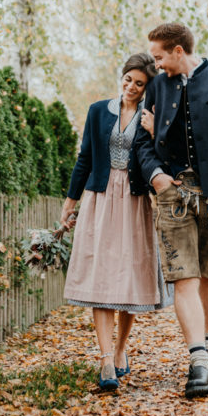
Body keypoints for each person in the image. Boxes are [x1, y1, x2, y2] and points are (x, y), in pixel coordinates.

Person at [134, 22, 208, 399]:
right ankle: (199, 360)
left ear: (178, 51)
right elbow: (141, 143)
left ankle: (205, 345)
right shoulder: (157, 87)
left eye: (159, 57)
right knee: (183, 277)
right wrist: (156, 177)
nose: (157, 65)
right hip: (173, 195)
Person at [59, 53, 172, 391]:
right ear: (121, 78)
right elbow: (85, 159)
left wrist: (155, 133)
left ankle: (121, 349)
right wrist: (69, 203)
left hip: (136, 202)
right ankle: (106, 358)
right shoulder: (97, 111)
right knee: (101, 279)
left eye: (139, 84)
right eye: (128, 80)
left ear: (146, 88)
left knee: (128, 278)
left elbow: (162, 159)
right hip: (100, 199)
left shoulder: (152, 116)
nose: (132, 87)